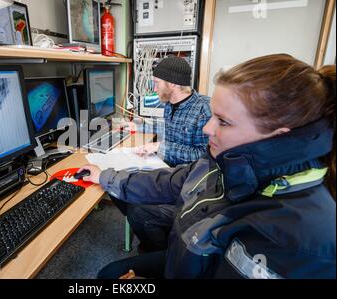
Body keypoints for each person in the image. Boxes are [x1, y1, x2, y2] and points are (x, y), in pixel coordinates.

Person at [79, 54, 336, 279]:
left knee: (136, 220)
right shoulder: (226, 160)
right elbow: (173, 180)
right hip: (189, 253)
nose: (207, 129)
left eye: (223, 122)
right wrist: (106, 176)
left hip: (195, 259)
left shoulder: (298, 240)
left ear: (278, 137)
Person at [128, 55, 211, 167]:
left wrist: (159, 147)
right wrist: (137, 127)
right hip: (166, 166)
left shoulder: (204, 109)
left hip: (185, 177)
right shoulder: (169, 103)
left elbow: (203, 156)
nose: (154, 89)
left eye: (157, 83)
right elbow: (168, 127)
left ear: (173, 84)